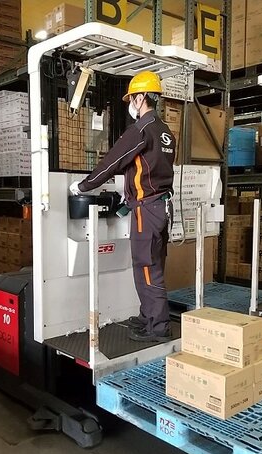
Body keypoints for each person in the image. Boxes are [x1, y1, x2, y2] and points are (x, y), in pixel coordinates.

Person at [69, 71, 176, 343]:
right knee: (153, 264)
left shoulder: (141, 130)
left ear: (141, 98)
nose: (131, 104)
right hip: (161, 207)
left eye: (132, 99)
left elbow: (112, 161)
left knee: (146, 267)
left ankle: (158, 327)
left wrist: (84, 186)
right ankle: (148, 316)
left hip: (146, 210)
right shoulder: (165, 132)